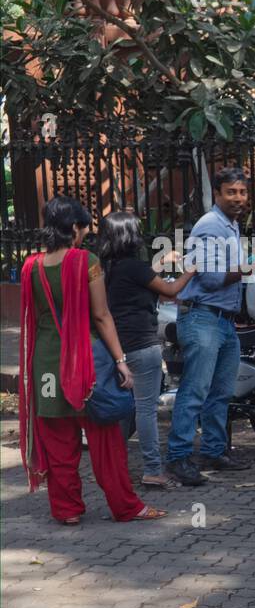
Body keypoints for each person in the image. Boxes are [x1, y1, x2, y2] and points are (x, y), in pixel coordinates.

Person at [17, 196, 165, 524]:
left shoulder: (31, 266)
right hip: (85, 360)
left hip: (45, 362)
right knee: (105, 439)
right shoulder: (87, 261)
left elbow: (36, 315)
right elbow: (101, 316)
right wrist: (121, 360)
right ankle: (126, 506)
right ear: (74, 228)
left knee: (58, 442)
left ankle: (67, 511)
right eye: (83, 227)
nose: (84, 234)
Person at [165, 167, 255, 486]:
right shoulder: (210, 226)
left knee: (222, 392)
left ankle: (214, 451)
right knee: (196, 389)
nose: (238, 198)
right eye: (231, 192)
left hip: (222, 321)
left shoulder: (230, 225)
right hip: (203, 318)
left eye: (242, 192)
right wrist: (254, 266)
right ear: (218, 194)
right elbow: (211, 279)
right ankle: (178, 457)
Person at [99, 210, 198, 489]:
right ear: (131, 236)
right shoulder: (134, 267)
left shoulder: (110, 268)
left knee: (125, 409)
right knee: (145, 410)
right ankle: (153, 469)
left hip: (118, 347)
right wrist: (192, 269)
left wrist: (161, 261)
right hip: (143, 345)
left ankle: (111, 466)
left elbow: (140, 278)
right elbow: (170, 290)